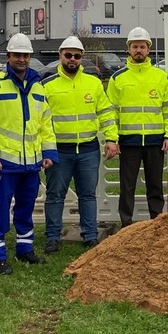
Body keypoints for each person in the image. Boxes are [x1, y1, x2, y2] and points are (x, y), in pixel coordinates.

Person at [0, 32, 56, 274]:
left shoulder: (39, 88)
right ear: (8, 56)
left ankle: (25, 250)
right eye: (17, 55)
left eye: (25, 55)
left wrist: (49, 153)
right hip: (5, 163)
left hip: (32, 164)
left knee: (26, 206)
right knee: (1, 209)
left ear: (30, 57)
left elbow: (46, 125)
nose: (21, 59)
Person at [41, 36, 119, 252]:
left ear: (81, 58)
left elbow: (106, 114)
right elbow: (40, 120)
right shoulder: (47, 85)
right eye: (68, 55)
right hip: (58, 151)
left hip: (88, 149)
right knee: (55, 195)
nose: (72, 59)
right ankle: (52, 237)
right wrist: (43, 148)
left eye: (77, 56)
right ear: (60, 56)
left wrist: (111, 139)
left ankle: (90, 235)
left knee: (88, 195)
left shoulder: (94, 83)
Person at [106, 26, 168, 227]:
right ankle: (126, 225)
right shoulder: (118, 78)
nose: (139, 50)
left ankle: (157, 223)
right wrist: (112, 138)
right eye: (135, 46)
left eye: (142, 46)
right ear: (128, 49)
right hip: (129, 142)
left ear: (148, 49)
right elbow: (111, 111)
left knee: (155, 185)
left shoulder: (161, 76)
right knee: (127, 186)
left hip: (155, 141)